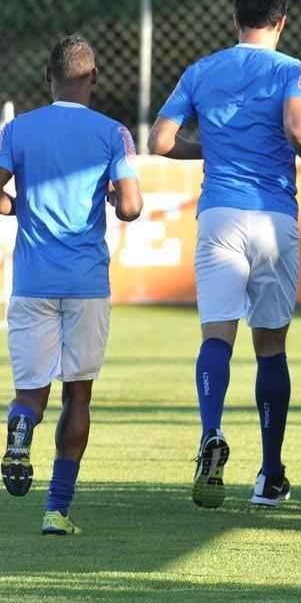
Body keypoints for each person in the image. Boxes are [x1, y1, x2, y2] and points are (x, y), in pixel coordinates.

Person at [149, 0, 301, 509]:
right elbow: (298, 122)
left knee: (216, 336)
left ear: (235, 21)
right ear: (282, 22)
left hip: (220, 214)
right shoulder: (293, 70)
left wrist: (207, 148)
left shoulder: (202, 70)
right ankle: (270, 475)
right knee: (270, 347)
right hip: (274, 215)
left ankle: (210, 433)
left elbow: (159, 141)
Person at [0, 35, 143, 535]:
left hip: (31, 282)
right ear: (94, 78)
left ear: (47, 77)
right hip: (85, 284)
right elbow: (130, 206)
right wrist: (107, 196)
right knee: (76, 397)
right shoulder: (113, 134)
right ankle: (57, 510)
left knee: (30, 395)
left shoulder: (18, 130)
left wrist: (18, 206)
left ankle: (20, 425)